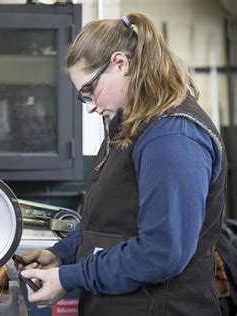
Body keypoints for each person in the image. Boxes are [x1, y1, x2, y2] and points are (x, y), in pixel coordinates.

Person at [17, 12, 228, 315]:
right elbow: (112, 224)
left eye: (90, 90)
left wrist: (70, 277)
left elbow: (160, 252)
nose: (90, 106)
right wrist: (62, 256)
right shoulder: (130, 126)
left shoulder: (172, 136)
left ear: (120, 63)